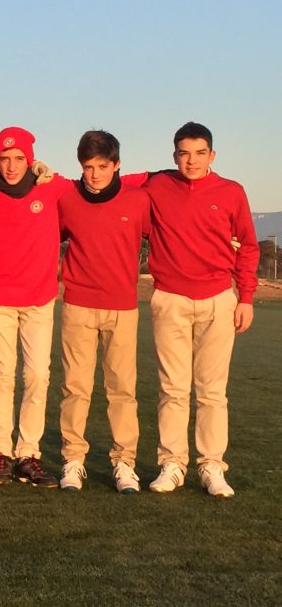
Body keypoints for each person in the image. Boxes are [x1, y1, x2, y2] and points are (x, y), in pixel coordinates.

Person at [137, 122, 258, 497]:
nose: (191, 160)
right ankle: (172, 463)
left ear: (212, 155)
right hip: (169, 298)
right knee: (172, 389)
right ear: (174, 156)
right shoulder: (157, 185)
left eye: (199, 153)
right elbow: (110, 178)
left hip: (219, 298)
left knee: (211, 392)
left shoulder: (231, 191)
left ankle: (211, 467)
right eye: (184, 153)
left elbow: (249, 248)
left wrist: (247, 298)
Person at [0, 127, 65, 488]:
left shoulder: (51, 186)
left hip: (39, 299)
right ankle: (1, 453)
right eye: (4, 158)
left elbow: (94, 187)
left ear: (30, 158)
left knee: (37, 376)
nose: (11, 165)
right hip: (1, 298)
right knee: (2, 377)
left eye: (19, 158)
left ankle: (28, 454)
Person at [55, 130, 151, 493]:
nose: (94, 174)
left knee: (122, 390)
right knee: (75, 388)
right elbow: (50, 234)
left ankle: (124, 462)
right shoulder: (68, 199)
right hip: (78, 304)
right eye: (88, 166)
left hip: (123, 308)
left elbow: (159, 236)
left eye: (102, 166)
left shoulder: (139, 201)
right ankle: (73, 460)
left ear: (117, 165)